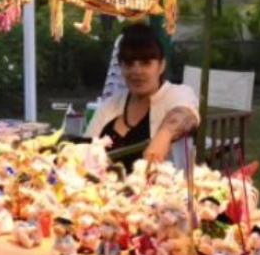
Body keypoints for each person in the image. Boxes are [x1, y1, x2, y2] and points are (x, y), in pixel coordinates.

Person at [85, 23, 199, 167]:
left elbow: (185, 114)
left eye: (146, 63)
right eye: (129, 63)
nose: (136, 71)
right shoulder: (111, 105)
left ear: (161, 65)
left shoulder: (177, 93)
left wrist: (164, 135)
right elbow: (86, 149)